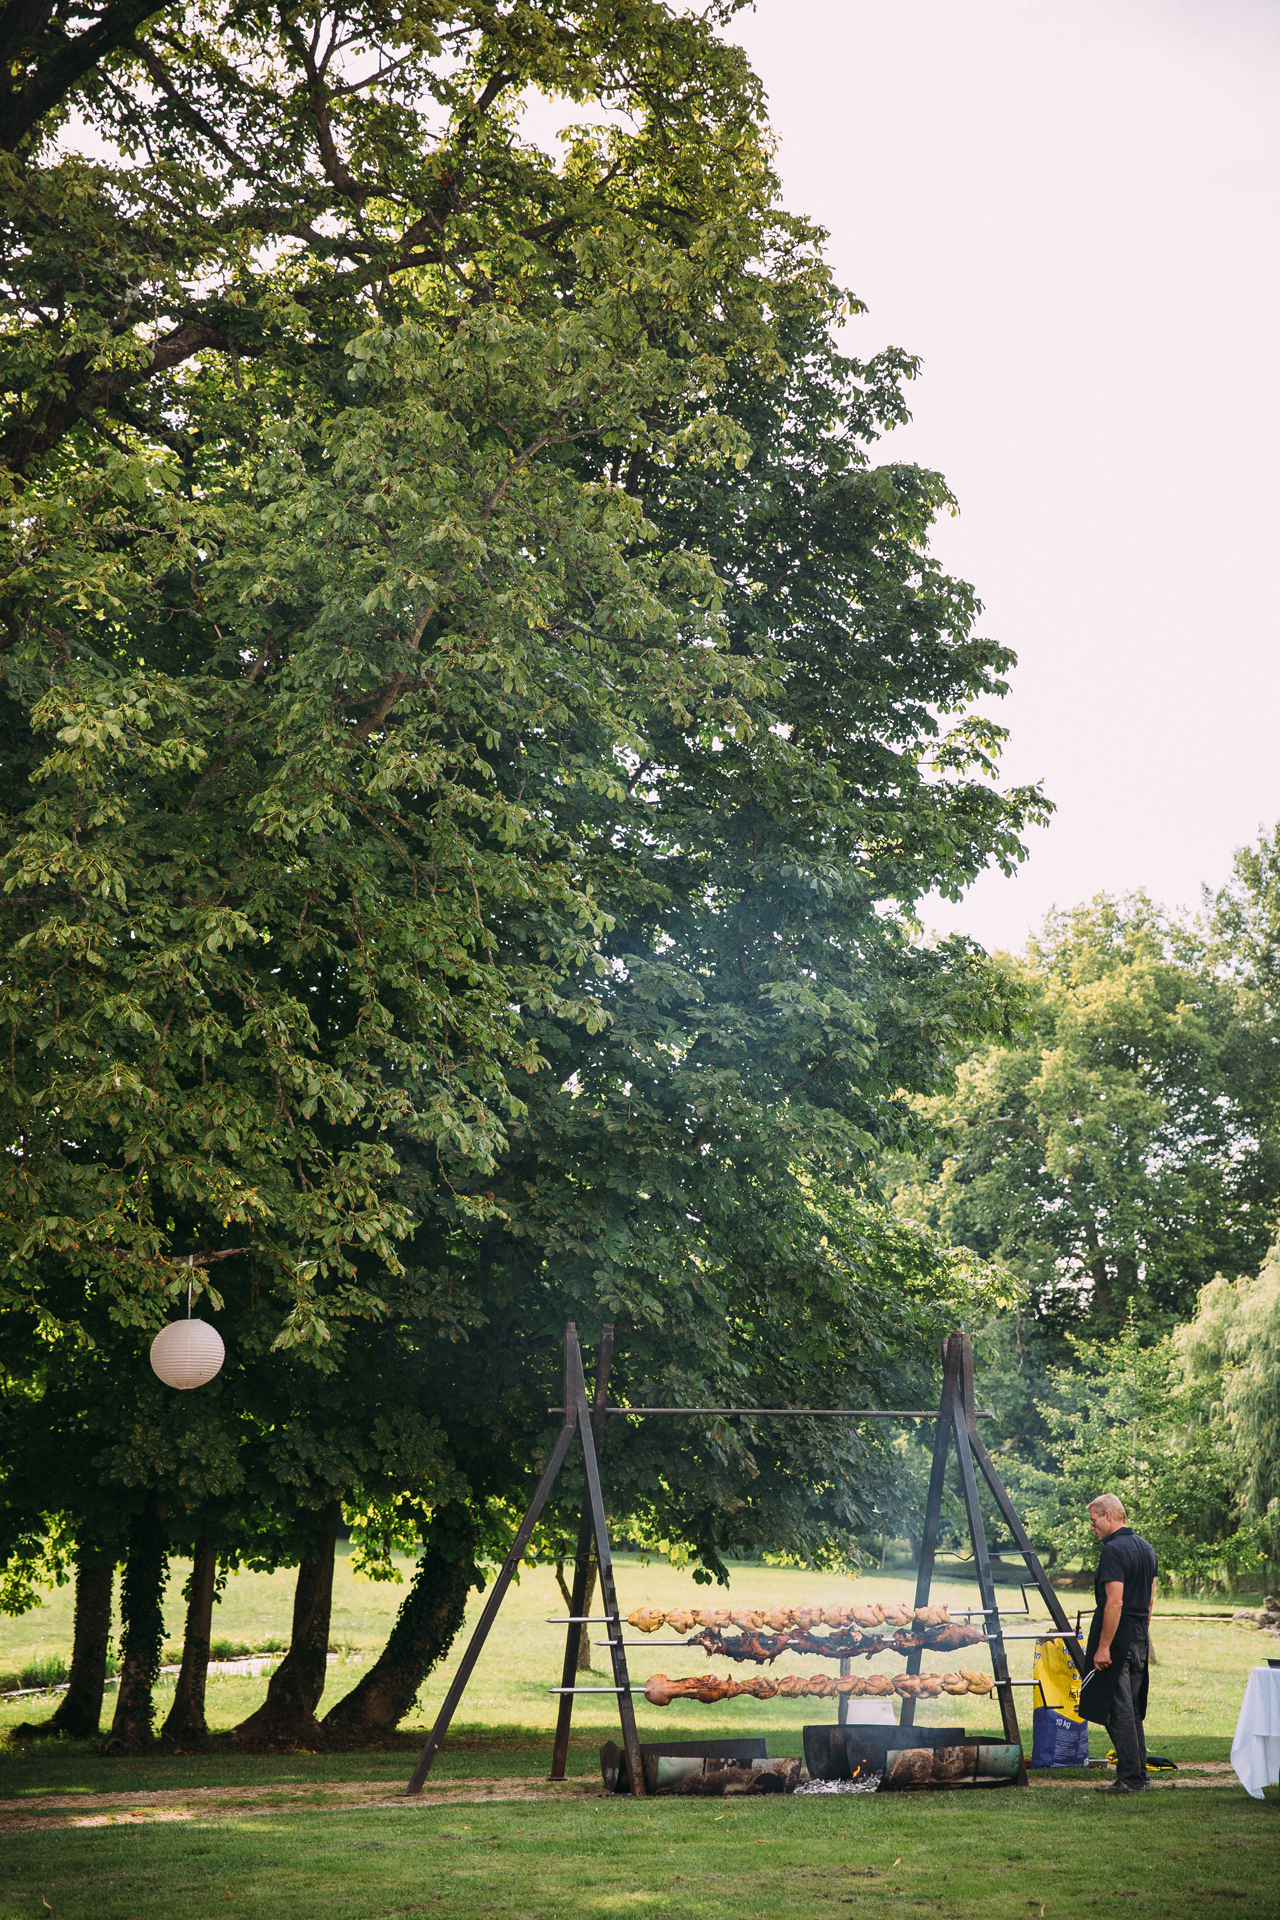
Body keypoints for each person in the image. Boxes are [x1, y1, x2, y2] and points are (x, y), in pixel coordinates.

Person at [1078, 1493, 1158, 1794]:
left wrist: (1103, 1647)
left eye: (1093, 1520)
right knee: (1132, 1709)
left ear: (1108, 1516)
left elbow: (1115, 1602)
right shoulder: (1147, 1548)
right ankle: (1139, 1775)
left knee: (1116, 1708)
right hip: (1139, 1636)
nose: (1091, 1527)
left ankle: (1131, 1779)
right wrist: (1142, 1635)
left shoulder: (1113, 1550)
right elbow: (1149, 1601)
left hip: (1118, 1638)